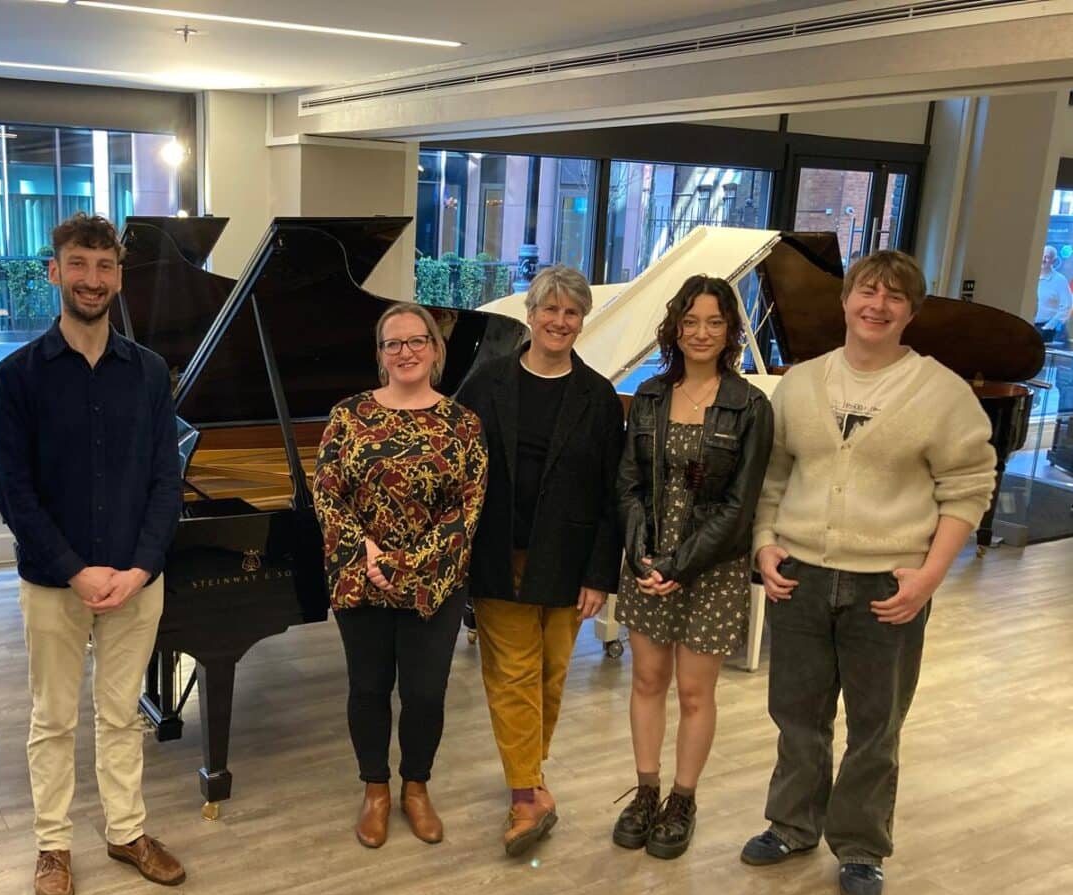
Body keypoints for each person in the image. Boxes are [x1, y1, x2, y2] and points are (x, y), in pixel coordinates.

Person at [742, 250, 996, 895]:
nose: (877, 306)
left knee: (875, 726)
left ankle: (860, 846)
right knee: (796, 715)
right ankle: (792, 824)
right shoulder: (801, 384)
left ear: (912, 312)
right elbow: (773, 474)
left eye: (894, 297)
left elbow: (969, 487)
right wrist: (765, 543)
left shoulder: (942, 392)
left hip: (887, 585)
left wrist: (930, 576)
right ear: (846, 299)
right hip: (801, 576)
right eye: (867, 291)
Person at [0, 212, 184, 895]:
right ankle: (53, 845)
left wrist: (140, 567)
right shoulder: (19, 375)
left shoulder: (150, 372)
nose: (92, 279)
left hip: (135, 579)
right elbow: (14, 492)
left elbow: (166, 480)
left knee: (122, 715)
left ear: (119, 277)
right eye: (78, 264)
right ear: (55, 271)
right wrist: (76, 569)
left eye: (104, 266)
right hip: (54, 581)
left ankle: (126, 832)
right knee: (53, 719)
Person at [456, 265, 624, 856]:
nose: (559, 320)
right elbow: (457, 469)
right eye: (549, 309)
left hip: (568, 559)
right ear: (530, 315)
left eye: (571, 312)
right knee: (512, 676)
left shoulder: (598, 397)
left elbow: (611, 494)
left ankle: (532, 774)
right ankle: (526, 795)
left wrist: (600, 575)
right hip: (497, 554)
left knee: (551, 675)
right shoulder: (487, 383)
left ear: (582, 321)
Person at [611, 276, 773, 859]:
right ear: (675, 328)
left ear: (730, 331)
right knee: (646, 681)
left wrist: (680, 565)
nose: (701, 333)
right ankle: (646, 792)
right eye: (690, 321)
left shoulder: (750, 406)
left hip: (712, 567)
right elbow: (628, 484)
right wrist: (642, 556)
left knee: (695, 693)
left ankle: (683, 799)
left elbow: (741, 506)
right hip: (649, 560)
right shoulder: (650, 395)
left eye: (714, 322)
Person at [314, 302, 487, 848]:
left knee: (425, 692)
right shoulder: (348, 416)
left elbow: (468, 505)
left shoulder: (463, 424)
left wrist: (408, 566)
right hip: (360, 575)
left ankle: (416, 786)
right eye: (394, 343)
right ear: (380, 354)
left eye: (417, 341)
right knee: (368, 687)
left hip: (435, 582)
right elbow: (326, 491)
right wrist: (367, 553)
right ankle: (375, 789)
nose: (406, 351)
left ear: (435, 349)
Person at [1035, 246, 1073, 345]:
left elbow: (1067, 305)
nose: (1043, 259)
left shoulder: (1060, 280)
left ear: (1054, 261)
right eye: (1042, 256)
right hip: (1026, 324)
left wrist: (1050, 326)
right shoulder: (1030, 276)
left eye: (1047, 257)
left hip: (1045, 330)